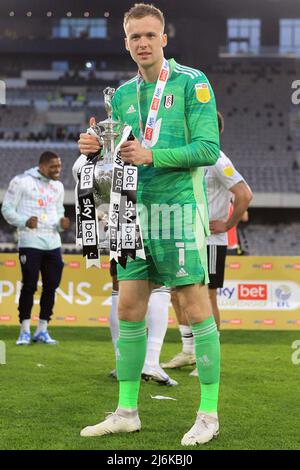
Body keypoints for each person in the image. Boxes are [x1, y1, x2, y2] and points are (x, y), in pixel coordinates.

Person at [77, 3, 220, 446]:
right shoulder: (119, 95)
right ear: (125, 42)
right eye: (134, 37)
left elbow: (208, 149)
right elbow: (117, 152)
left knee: (194, 310)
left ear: (164, 38)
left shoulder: (192, 82)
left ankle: (208, 414)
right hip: (132, 214)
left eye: (149, 35)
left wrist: (153, 156)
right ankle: (126, 412)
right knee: (129, 309)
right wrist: (93, 148)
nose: (142, 43)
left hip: (177, 211)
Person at [162, 111, 252, 372]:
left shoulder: (217, 159)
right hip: (185, 236)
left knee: (207, 296)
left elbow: (244, 195)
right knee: (176, 293)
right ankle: (189, 351)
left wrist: (228, 224)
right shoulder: (190, 157)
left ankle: (209, 356)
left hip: (210, 240)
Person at [1, 151, 70, 345]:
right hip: (30, 241)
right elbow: (6, 209)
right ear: (42, 166)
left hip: (53, 242)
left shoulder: (58, 186)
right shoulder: (21, 181)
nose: (58, 170)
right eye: (53, 167)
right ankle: (24, 330)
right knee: (30, 285)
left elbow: (58, 212)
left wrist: (61, 223)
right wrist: (24, 221)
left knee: (51, 286)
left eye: (59, 166)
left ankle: (42, 330)